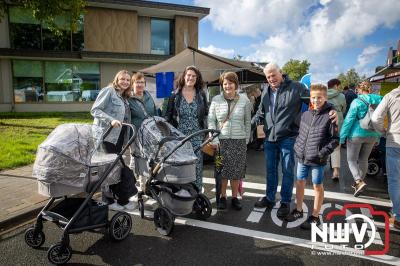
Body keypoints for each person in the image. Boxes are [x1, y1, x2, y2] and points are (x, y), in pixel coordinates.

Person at [252, 63, 337, 218]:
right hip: (270, 138)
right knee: (270, 171)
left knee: (287, 171)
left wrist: (331, 109)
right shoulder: (266, 90)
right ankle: (270, 198)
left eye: (273, 75)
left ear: (281, 73)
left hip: (288, 137)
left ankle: (285, 202)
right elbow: (261, 111)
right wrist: (249, 125)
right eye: (268, 76)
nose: (271, 79)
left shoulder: (296, 87)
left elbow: (316, 99)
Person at [285, 84, 339, 229]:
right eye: (313, 97)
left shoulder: (330, 116)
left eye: (319, 97)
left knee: (317, 186)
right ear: (310, 98)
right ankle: (298, 209)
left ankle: (315, 216)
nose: (316, 100)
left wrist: (321, 153)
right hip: (302, 157)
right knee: (300, 182)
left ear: (325, 98)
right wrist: (297, 146)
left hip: (318, 160)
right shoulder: (305, 115)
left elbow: (335, 140)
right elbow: (299, 132)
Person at [91, 69, 135, 211]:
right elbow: (95, 110)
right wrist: (110, 120)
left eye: (128, 80)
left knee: (116, 169)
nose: (125, 82)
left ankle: (119, 199)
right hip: (107, 137)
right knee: (110, 169)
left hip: (119, 138)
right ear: (117, 79)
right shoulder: (108, 91)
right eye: (123, 79)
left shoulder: (124, 97)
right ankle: (109, 201)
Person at [208, 72, 251, 210]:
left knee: (236, 171)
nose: (227, 86)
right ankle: (222, 196)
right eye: (225, 83)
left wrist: (246, 139)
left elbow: (248, 122)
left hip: (239, 141)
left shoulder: (244, 100)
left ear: (236, 84)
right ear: (222, 85)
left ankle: (234, 197)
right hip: (221, 142)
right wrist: (213, 138)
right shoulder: (215, 100)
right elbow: (211, 120)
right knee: (221, 170)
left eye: (230, 83)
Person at [164, 65, 208, 191]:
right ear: (184, 76)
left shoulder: (201, 95)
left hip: (196, 136)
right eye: (189, 75)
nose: (191, 78)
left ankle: (196, 192)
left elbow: (205, 113)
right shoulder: (174, 95)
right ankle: (182, 191)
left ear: (197, 78)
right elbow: (167, 115)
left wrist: (205, 131)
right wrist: (168, 135)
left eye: (194, 76)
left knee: (197, 166)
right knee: (181, 165)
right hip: (179, 137)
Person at [340, 81, 383, 197]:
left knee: (351, 160)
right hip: (373, 134)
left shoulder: (357, 101)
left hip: (356, 134)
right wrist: (379, 135)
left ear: (358, 89)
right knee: (364, 160)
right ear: (370, 89)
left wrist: (342, 137)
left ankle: (358, 182)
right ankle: (359, 183)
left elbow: (349, 120)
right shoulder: (380, 100)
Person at [371, 85, 400, 229]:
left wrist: (383, 132)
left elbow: (376, 118)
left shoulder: (391, 95)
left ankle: (398, 216)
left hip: (395, 140)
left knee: (395, 180)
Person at [128, 72, 157, 192]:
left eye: (142, 82)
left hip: (149, 134)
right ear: (132, 84)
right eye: (137, 82)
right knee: (135, 160)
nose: (140, 84)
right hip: (135, 135)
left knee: (148, 160)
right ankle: (131, 184)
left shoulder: (148, 96)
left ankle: (144, 186)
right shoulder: (128, 99)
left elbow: (154, 112)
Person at [327, 78, 346, 180]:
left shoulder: (323, 94)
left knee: (322, 144)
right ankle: (335, 172)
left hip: (325, 119)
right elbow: (344, 109)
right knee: (336, 147)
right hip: (337, 121)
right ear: (335, 85)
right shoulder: (342, 95)